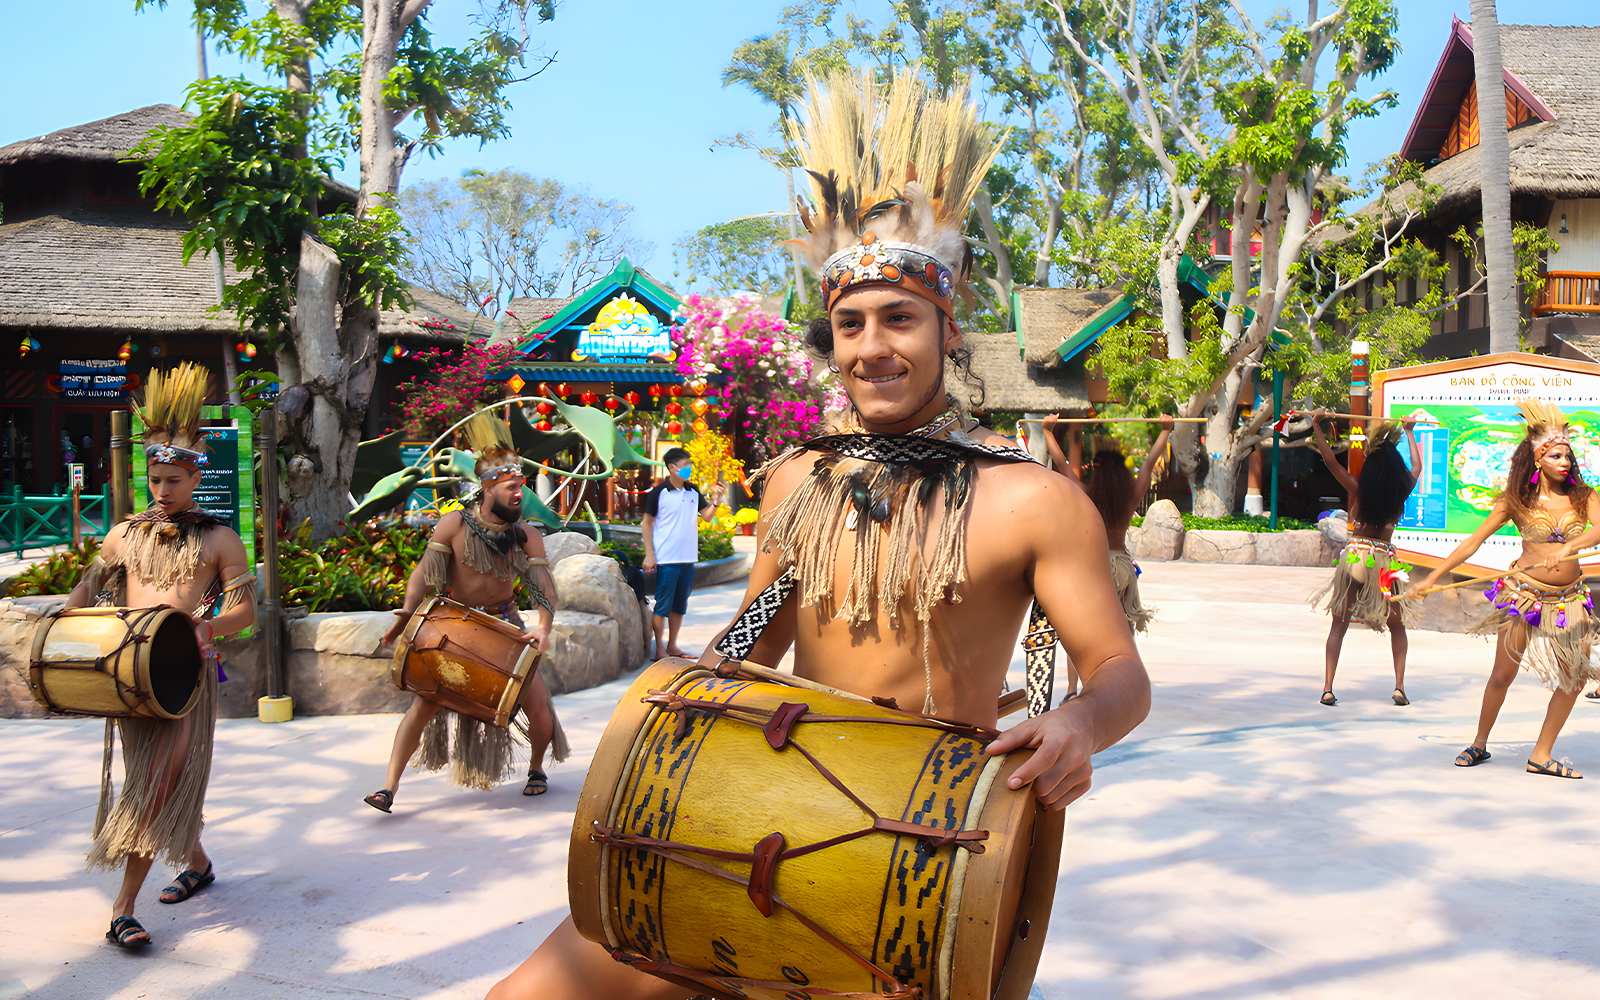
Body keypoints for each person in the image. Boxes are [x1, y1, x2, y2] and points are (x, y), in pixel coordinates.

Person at [487, 68, 1150, 1000]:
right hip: (765, 798)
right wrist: (694, 696)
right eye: (850, 324)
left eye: (899, 318)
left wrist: (1079, 721)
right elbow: (762, 633)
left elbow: (1121, 673)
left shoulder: (1032, 499)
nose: (872, 345)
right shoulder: (800, 477)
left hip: (913, 851)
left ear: (948, 330)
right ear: (830, 339)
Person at [61, 363, 256, 948]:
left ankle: (123, 908)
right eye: (156, 479)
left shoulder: (220, 538)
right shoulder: (122, 534)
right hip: (129, 675)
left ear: (195, 476)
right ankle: (197, 864)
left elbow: (246, 613)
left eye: (173, 480)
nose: (163, 490)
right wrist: (61, 620)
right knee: (152, 779)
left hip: (186, 678)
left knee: (156, 785)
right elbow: (88, 590)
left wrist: (209, 625)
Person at [364, 413, 567, 811]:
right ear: (488, 488)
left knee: (539, 709)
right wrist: (405, 617)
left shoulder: (526, 534)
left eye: (521, 485)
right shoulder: (453, 524)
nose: (518, 493)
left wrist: (543, 626)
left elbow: (543, 588)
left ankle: (538, 767)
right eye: (511, 486)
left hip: (507, 627)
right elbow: (424, 575)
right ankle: (388, 787)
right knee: (423, 704)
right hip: (456, 627)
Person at [1411, 398, 1600, 777]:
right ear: (1537, 459)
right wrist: (1432, 577)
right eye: (1556, 456)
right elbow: (1472, 543)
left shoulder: (1584, 497)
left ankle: (1541, 754)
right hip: (1525, 595)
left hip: (1570, 599)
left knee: (1576, 675)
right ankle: (1479, 743)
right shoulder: (1517, 501)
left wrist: (1568, 547)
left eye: (1568, 455)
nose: (1565, 462)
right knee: (1502, 674)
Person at [1041, 413, 1172, 699]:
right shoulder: (1130, 497)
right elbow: (1149, 463)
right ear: (1123, 475)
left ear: (1097, 474)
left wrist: (1049, 432)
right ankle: (1128, 683)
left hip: (1098, 569)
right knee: (1123, 631)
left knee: (1080, 630)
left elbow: (1063, 466)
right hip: (1124, 568)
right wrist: (1165, 431)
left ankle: (1074, 690)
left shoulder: (1089, 494)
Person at [1307, 412, 1423, 706]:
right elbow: (1418, 468)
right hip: (1384, 562)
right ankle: (1399, 687)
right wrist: (1409, 432)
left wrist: (1316, 426)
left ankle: (1328, 687)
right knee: (1397, 626)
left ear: (1371, 468)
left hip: (1356, 557)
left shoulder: (1359, 490)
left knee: (1339, 625)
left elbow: (1331, 462)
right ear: (1395, 469)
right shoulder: (1401, 492)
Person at [640, 447, 725, 658]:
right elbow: (647, 524)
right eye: (686, 465)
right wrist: (649, 555)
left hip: (688, 559)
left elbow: (706, 516)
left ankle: (673, 646)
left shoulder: (693, 491)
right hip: (666, 559)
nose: (689, 469)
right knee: (662, 606)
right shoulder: (659, 493)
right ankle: (659, 648)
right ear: (672, 467)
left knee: (680, 606)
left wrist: (716, 499)